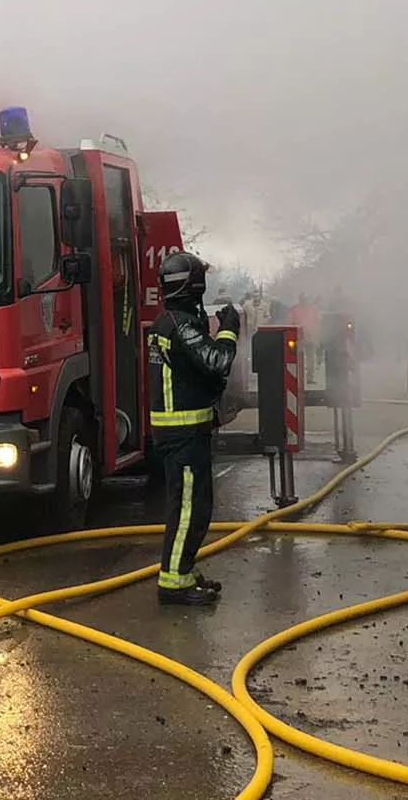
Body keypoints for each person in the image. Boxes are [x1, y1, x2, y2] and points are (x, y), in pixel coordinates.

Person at [147, 251, 239, 607]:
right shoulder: (179, 325)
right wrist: (229, 328)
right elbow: (217, 362)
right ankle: (173, 583)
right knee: (188, 510)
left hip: (186, 434)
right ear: (194, 286)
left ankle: (183, 572)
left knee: (195, 507)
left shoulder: (169, 322)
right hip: (184, 437)